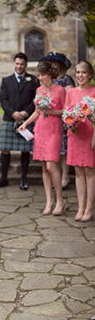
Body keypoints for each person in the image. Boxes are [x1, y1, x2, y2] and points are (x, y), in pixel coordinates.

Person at [19, 61, 66, 215]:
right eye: (38, 75)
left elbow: (65, 111)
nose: (39, 78)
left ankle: (60, 200)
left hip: (54, 130)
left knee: (52, 166)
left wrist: (51, 111)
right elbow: (37, 111)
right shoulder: (39, 90)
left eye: (41, 75)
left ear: (49, 75)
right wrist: (25, 123)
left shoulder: (60, 90)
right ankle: (49, 201)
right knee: (44, 167)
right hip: (40, 129)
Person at [0, 52, 39, 191]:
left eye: (22, 64)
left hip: (26, 120)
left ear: (26, 65)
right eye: (17, 63)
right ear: (14, 64)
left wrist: (25, 113)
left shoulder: (33, 80)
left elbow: (35, 100)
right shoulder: (6, 80)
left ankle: (23, 180)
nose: (19, 66)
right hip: (9, 119)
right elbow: (3, 100)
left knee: (25, 150)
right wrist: (12, 113)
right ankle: (3, 178)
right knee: (5, 149)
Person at [65, 61, 95, 222]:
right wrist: (70, 121)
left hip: (90, 134)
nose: (80, 75)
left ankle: (90, 207)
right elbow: (66, 112)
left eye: (83, 72)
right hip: (75, 134)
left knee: (89, 171)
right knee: (77, 171)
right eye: (77, 72)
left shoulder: (94, 91)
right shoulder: (71, 92)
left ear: (90, 74)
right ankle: (81, 206)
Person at [41, 52, 75, 190]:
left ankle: (65, 176)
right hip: (50, 119)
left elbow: (70, 98)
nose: (52, 65)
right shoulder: (51, 80)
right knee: (56, 149)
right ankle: (57, 176)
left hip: (63, 117)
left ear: (60, 64)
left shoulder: (67, 79)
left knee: (63, 149)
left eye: (54, 62)